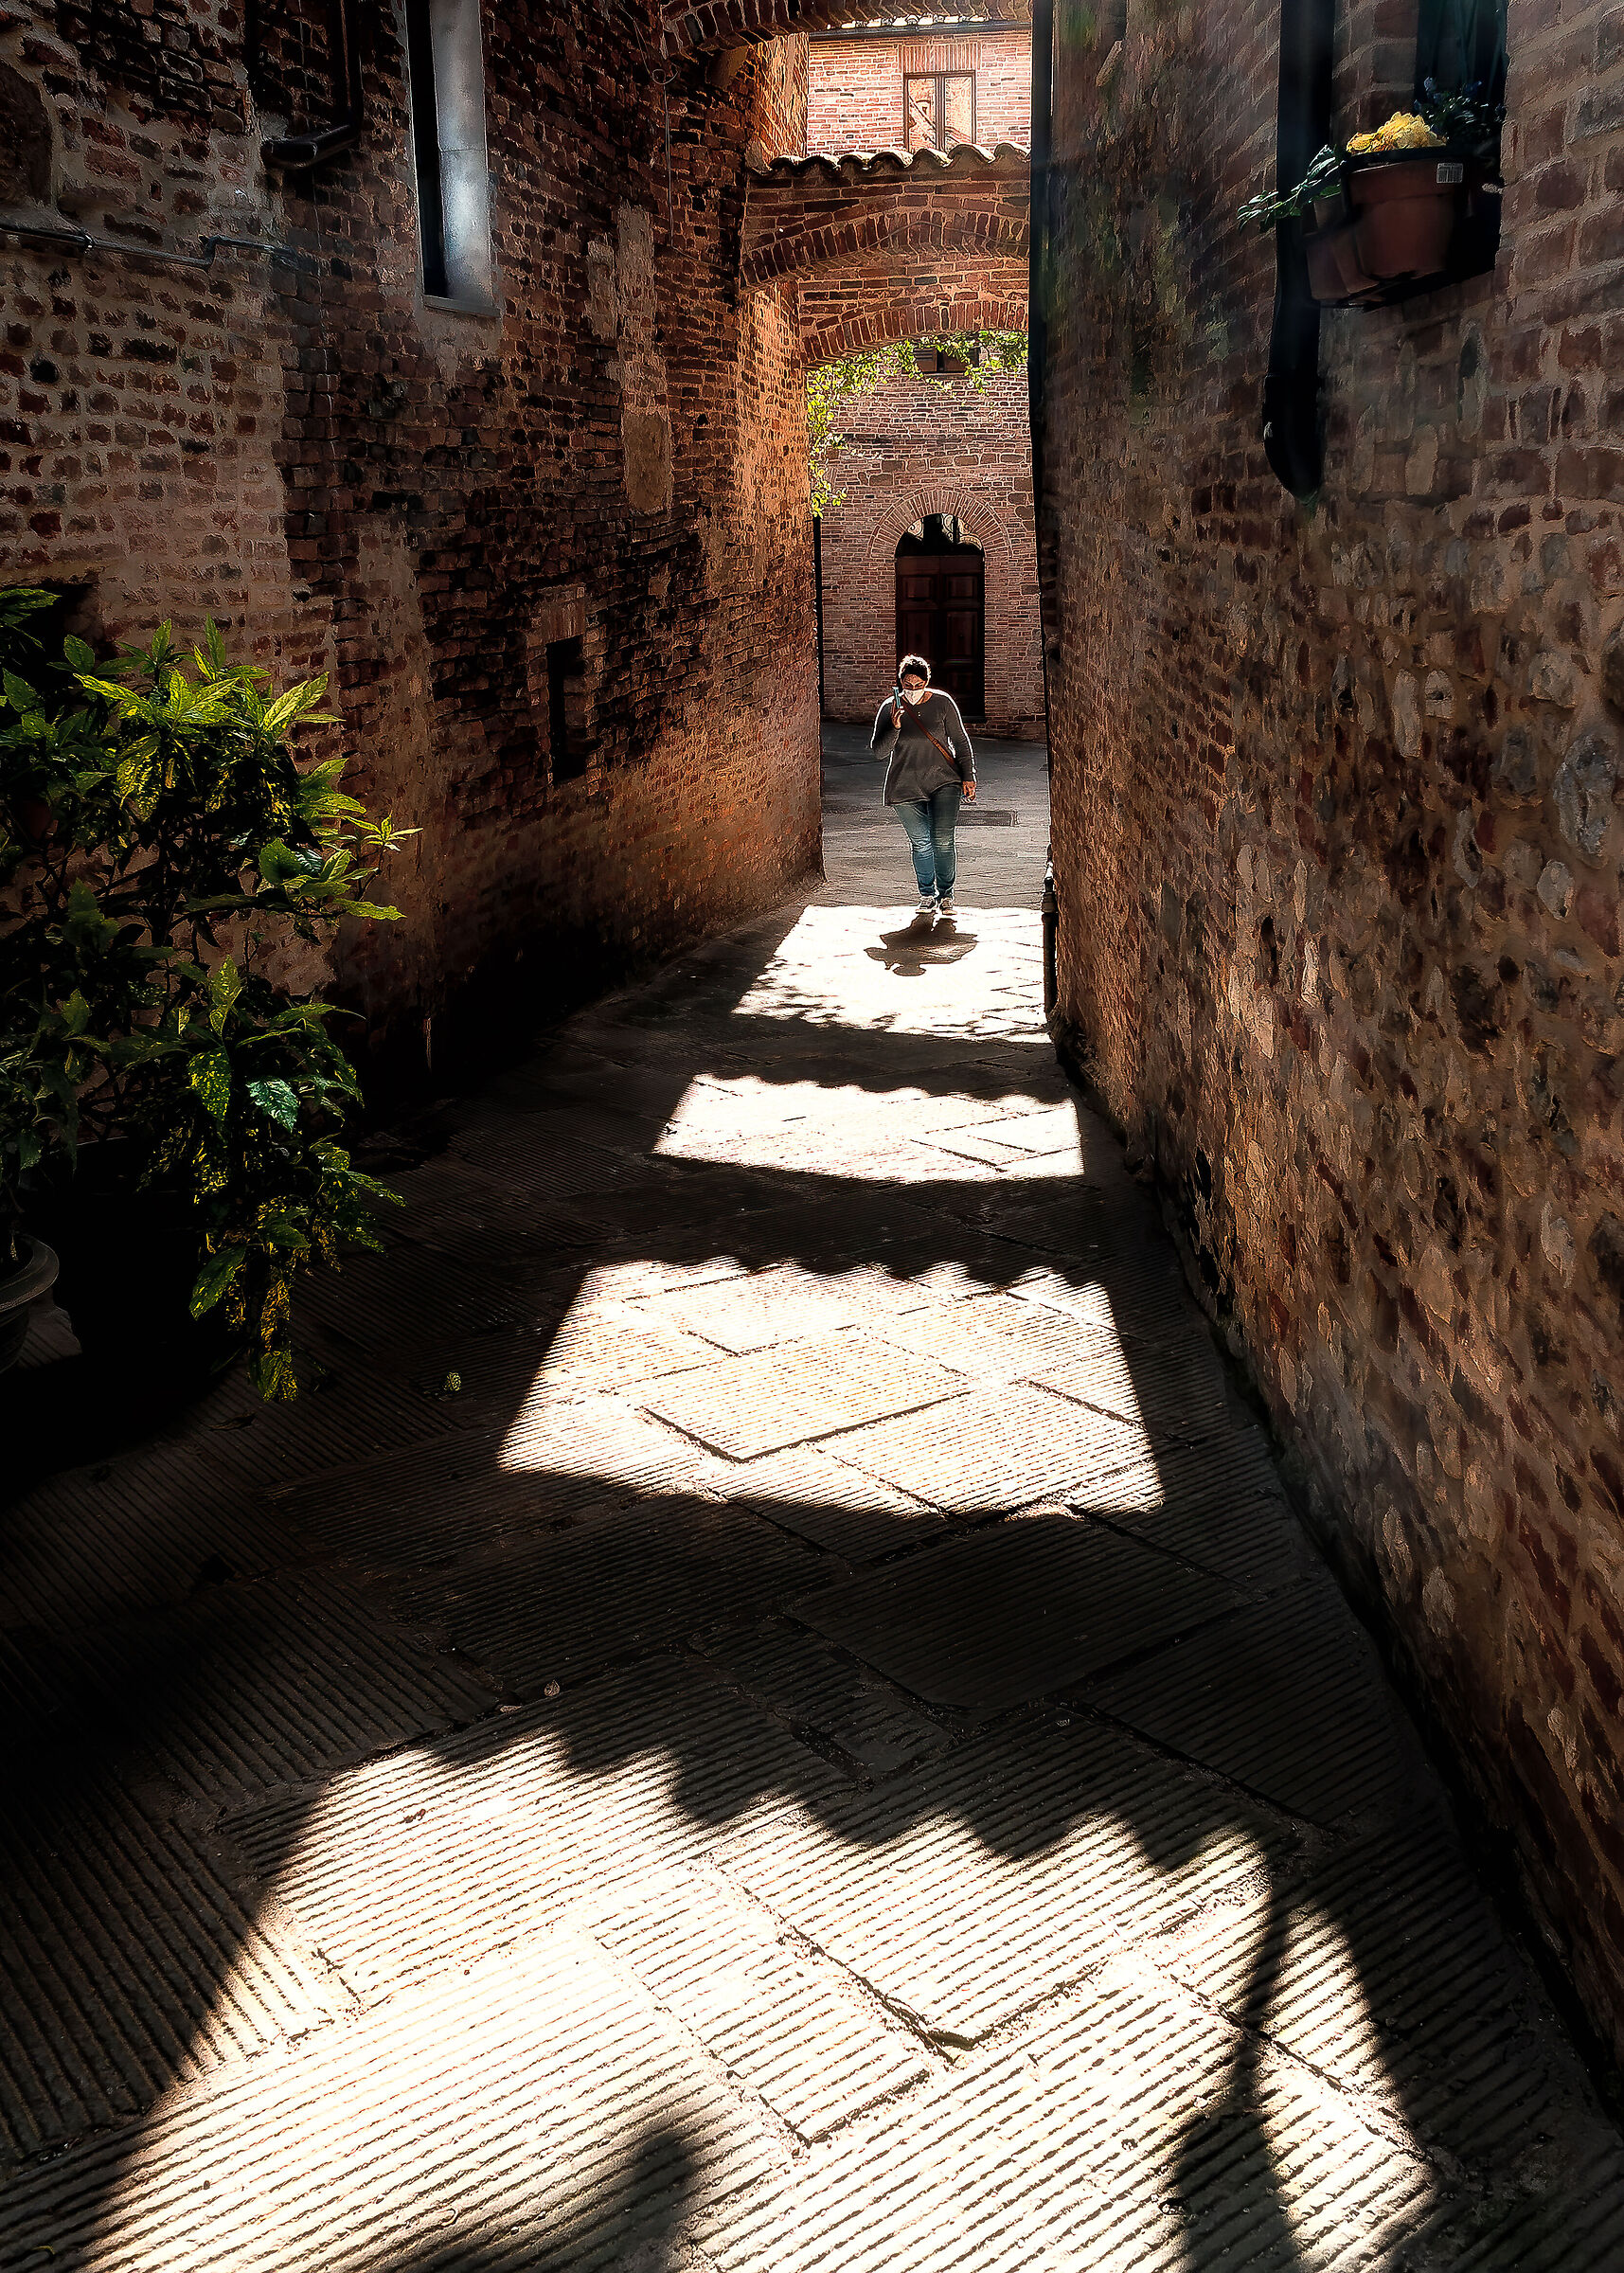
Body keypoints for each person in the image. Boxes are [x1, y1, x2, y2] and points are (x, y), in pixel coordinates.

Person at [869, 653, 977, 918]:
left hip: (944, 780)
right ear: (900, 683)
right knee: (920, 842)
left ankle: (947, 895)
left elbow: (960, 741)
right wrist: (894, 726)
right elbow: (879, 752)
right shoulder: (890, 708)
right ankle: (927, 894)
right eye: (908, 686)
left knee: (942, 839)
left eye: (919, 685)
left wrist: (968, 775)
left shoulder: (942, 703)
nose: (914, 691)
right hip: (905, 784)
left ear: (927, 682)